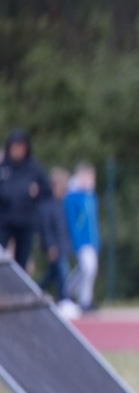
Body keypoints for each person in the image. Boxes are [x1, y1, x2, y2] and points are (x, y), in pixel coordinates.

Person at [0, 129, 49, 269]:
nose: (18, 151)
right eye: (15, 147)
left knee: (22, 260)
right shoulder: (3, 167)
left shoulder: (33, 167)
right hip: (4, 220)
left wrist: (37, 192)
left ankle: (18, 289)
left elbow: (47, 191)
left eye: (21, 147)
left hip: (26, 221)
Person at [64, 163, 101, 311]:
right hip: (81, 241)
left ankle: (75, 294)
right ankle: (80, 297)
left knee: (89, 269)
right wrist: (76, 242)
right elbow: (73, 223)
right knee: (88, 268)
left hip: (91, 241)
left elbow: (93, 222)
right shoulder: (72, 197)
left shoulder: (90, 196)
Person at [37, 167, 72, 304]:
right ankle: (63, 299)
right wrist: (50, 246)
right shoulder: (47, 206)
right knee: (62, 272)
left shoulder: (62, 204)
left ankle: (34, 289)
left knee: (53, 274)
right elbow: (46, 229)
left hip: (62, 245)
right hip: (54, 246)